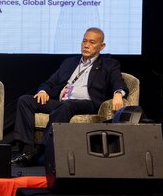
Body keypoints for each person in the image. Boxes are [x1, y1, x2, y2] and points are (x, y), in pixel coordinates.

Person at [11, 27, 127, 167]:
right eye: (84, 41)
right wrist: (43, 91)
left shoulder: (109, 64)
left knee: (67, 105)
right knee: (25, 100)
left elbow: (118, 82)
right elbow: (50, 82)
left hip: (88, 103)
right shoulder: (70, 62)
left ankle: (41, 150)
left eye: (92, 42)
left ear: (102, 46)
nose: (86, 45)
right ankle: (27, 151)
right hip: (62, 103)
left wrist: (118, 94)